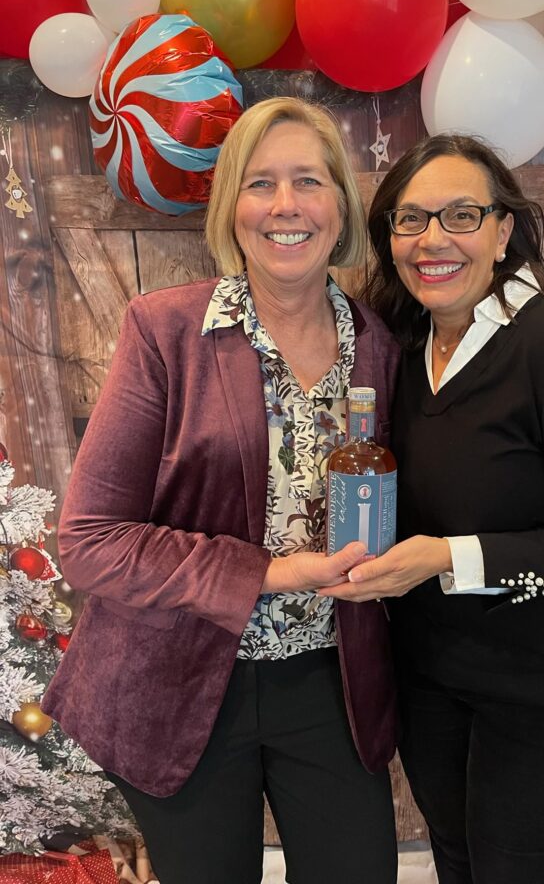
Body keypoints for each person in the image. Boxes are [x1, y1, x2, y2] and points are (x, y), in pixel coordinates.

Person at [42, 98, 400, 884]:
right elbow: (90, 541)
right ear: (230, 205)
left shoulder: (379, 345)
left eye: (308, 180)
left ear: (339, 202)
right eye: (259, 183)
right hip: (181, 683)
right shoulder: (165, 331)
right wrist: (266, 573)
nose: (285, 206)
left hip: (330, 684)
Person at [319, 134, 544, 884]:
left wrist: (447, 556)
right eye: (410, 220)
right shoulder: (398, 349)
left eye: (461, 215)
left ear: (504, 230)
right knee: (459, 864)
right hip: (436, 680)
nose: (432, 239)